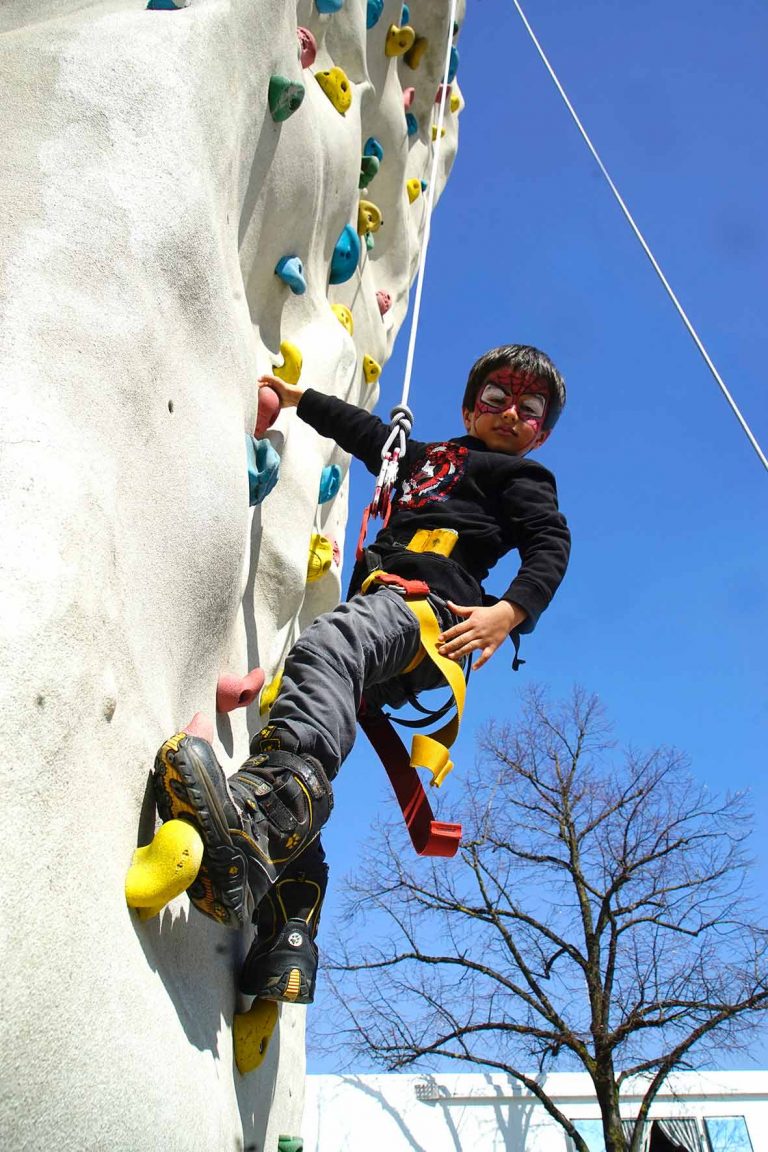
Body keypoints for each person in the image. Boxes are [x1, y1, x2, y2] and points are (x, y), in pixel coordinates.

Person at [153, 344, 571, 1004]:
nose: (511, 414)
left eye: (530, 409)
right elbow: (364, 431)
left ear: (540, 432)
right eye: (497, 398)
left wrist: (510, 613)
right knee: (309, 699)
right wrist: (297, 400)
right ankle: (289, 924)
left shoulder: (520, 478)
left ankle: (270, 809)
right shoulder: (422, 456)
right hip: (392, 615)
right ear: (469, 406)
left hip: (430, 608)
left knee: (327, 647)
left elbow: (551, 543)